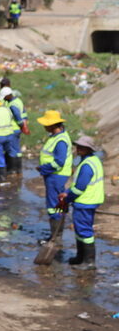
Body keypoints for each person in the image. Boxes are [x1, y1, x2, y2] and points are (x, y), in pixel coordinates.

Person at [58, 136, 105, 267]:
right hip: (87, 200)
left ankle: (89, 262)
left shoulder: (87, 165)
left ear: (89, 149)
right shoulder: (91, 160)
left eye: (82, 147)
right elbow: (77, 184)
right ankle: (80, 257)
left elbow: (79, 188)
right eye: (78, 146)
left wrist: (67, 198)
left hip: (86, 201)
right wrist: (67, 192)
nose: (78, 149)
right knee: (79, 228)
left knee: (84, 230)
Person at [36, 111, 73, 239]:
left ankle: (55, 237)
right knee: (59, 202)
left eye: (46, 124)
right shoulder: (57, 136)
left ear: (52, 125)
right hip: (55, 175)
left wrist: (43, 168)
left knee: (53, 205)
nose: (44, 127)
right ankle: (57, 235)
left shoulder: (60, 141)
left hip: (56, 176)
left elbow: (59, 162)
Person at [0, 85, 27, 171]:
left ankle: (13, 169)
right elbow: (24, 113)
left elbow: (17, 116)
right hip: (17, 129)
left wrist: (21, 125)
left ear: (8, 95)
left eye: (5, 97)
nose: (4, 99)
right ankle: (18, 169)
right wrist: (24, 124)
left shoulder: (12, 105)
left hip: (13, 129)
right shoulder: (18, 101)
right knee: (17, 149)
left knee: (13, 150)